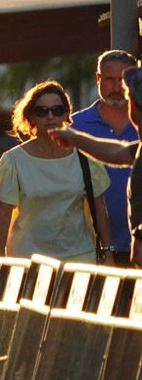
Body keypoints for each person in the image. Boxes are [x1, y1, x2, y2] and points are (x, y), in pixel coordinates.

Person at [0, 80, 111, 263]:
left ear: (67, 114)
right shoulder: (13, 160)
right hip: (29, 259)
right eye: (42, 111)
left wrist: (108, 253)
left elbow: (100, 209)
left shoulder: (84, 156)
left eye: (57, 110)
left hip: (80, 257)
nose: (50, 116)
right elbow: (3, 213)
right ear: (31, 117)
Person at [69, 50, 139, 264]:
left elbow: (115, 153)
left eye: (122, 80)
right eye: (110, 79)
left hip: (137, 247)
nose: (117, 88)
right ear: (98, 78)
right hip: (88, 250)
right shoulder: (74, 126)